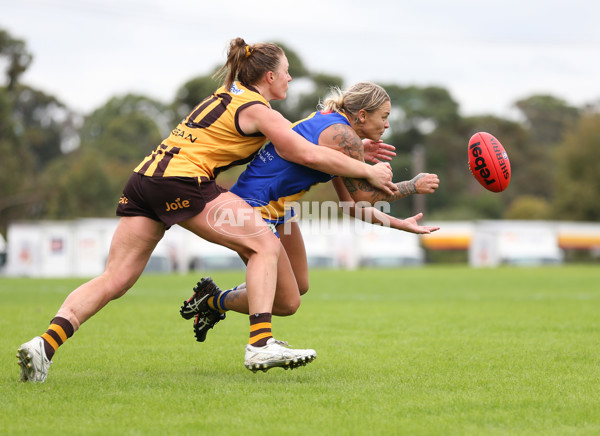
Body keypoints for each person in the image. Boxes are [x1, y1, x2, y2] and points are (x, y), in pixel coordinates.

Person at [16, 39, 399, 382]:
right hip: (183, 183)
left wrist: (355, 153)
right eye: (286, 72)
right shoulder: (259, 109)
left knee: (115, 278)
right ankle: (261, 344)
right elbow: (300, 151)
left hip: (145, 178)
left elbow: (310, 147)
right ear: (269, 76)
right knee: (264, 244)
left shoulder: (226, 95)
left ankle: (44, 345)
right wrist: (368, 169)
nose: (290, 78)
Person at [179, 82, 440, 346]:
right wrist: (413, 186)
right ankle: (213, 300)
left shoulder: (336, 128)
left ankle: (211, 299)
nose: (386, 125)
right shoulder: (343, 136)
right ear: (362, 115)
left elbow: (352, 207)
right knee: (288, 302)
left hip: (279, 213)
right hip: (253, 209)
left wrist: (401, 224)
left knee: (300, 285)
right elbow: (365, 197)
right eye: (384, 117)